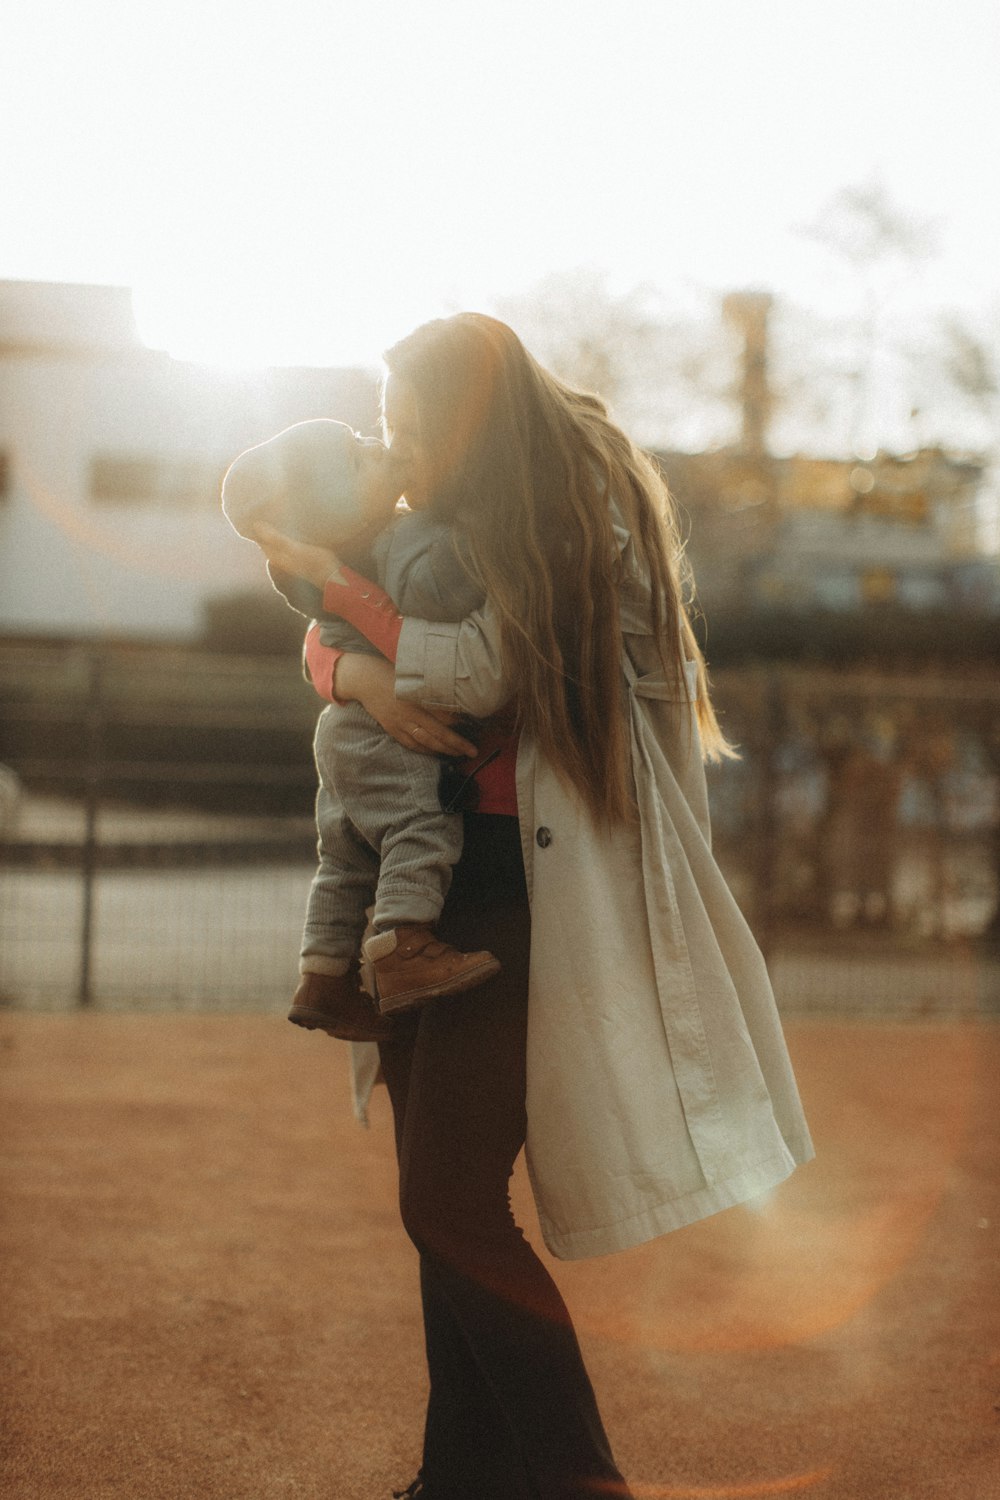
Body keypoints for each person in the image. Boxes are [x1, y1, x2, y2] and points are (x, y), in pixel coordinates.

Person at [254, 312, 815, 1500]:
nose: (396, 454)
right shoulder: (440, 530)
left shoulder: (566, 531)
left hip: (519, 892)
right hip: (435, 886)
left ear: (469, 424)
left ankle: (578, 1480)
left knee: (448, 1202)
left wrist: (350, 630)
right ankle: (457, 1475)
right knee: (437, 1205)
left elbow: (479, 671)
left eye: (411, 427)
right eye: (387, 430)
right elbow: (334, 640)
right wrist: (345, 665)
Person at [221, 418, 502, 1035]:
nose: (378, 446)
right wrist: (475, 533)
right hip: (381, 736)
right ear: (341, 515)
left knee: (345, 858)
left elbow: (320, 640)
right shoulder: (394, 543)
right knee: (419, 825)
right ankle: (404, 944)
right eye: (357, 461)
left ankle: (322, 974)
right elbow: (443, 599)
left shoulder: (324, 562)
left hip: (342, 731)